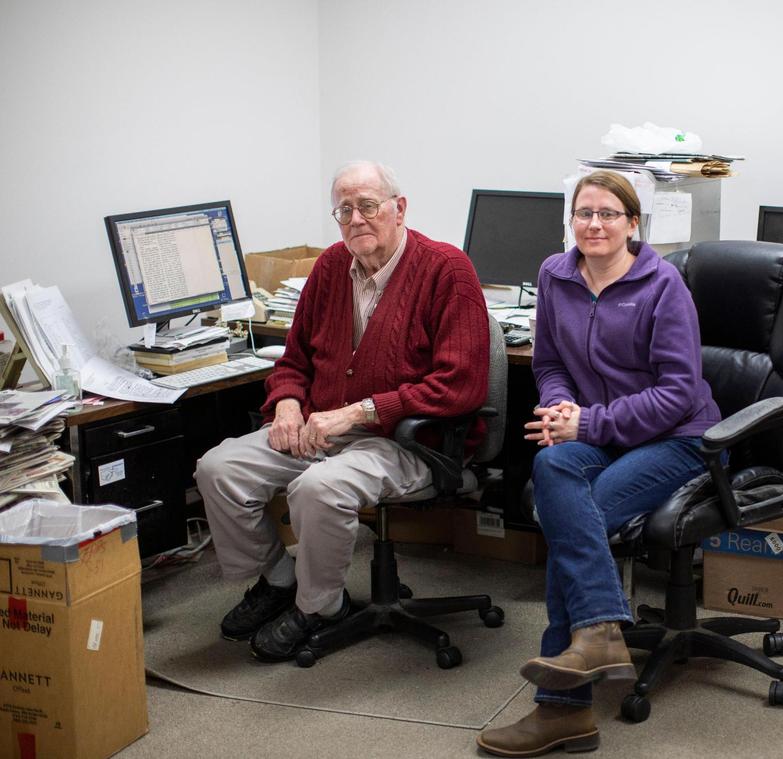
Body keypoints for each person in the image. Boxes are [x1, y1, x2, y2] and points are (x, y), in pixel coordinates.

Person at [195, 161, 489, 662]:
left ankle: (321, 607)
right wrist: (286, 403)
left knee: (317, 488)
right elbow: (293, 360)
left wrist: (358, 412)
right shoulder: (332, 266)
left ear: (400, 209)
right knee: (218, 469)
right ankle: (280, 580)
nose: (356, 219)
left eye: (368, 206)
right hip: (321, 427)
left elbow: (459, 386)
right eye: (345, 209)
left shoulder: (447, 270)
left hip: (408, 440)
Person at [476, 171, 720, 757]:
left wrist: (587, 424)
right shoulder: (555, 275)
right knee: (552, 471)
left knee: (572, 520)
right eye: (584, 213)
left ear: (633, 224)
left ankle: (564, 708)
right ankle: (601, 631)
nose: (594, 225)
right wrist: (559, 406)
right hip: (600, 430)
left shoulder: (663, 286)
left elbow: (678, 394)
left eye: (608, 214)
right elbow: (549, 360)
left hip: (678, 438)